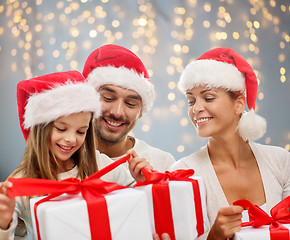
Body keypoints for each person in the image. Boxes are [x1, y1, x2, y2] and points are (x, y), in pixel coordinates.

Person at [0, 71, 151, 240]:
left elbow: (136, 207)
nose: (71, 139)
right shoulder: (21, 184)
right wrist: (3, 224)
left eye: (81, 131)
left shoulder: (100, 164)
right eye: (61, 129)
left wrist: (142, 183)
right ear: (40, 129)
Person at [170, 47, 290, 239]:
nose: (197, 109)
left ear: (239, 103)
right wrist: (214, 236)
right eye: (191, 101)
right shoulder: (184, 174)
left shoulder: (281, 161)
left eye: (208, 97)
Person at [82, 44, 176, 180]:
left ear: (141, 112)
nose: (118, 112)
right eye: (108, 98)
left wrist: (150, 188)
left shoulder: (162, 164)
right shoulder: (63, 158)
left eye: (130, 103)